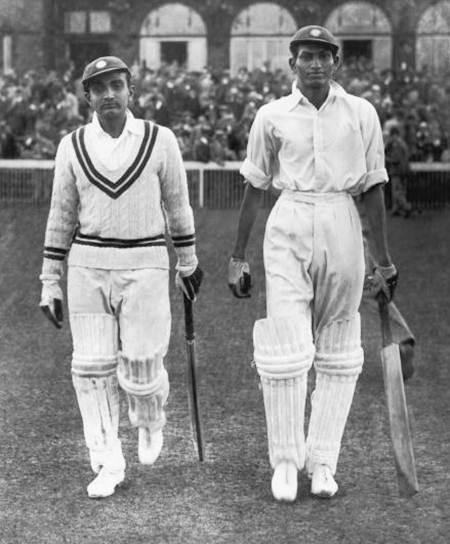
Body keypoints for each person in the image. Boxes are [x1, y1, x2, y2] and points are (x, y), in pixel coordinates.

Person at [228, 26, 398, 502]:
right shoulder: (272, 115)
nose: (316, 64)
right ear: (292, 64)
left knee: (340, 351)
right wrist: (238, 256)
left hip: (341, 218)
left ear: (337, 62)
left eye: (324, 56)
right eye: (306, 56)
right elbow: (256, 185)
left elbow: (374, 187)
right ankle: (285, 461)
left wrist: (382, 262)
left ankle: (323, 461)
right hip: (289, 220)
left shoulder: (362, 113)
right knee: (285, 347)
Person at [39, 56, 202, 499]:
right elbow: (61, 216)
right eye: (99, 87)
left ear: (131, 90)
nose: (109, 93)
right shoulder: (71, 146)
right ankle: (108, 460)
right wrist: (49, 280)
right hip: (88, 265)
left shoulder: (159, 139)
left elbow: (178, 205)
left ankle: (150, 419)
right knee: (90, 369)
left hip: (147, 261)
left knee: (144, 364)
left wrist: (187, 262)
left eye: (117, 84)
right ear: (87, 96)